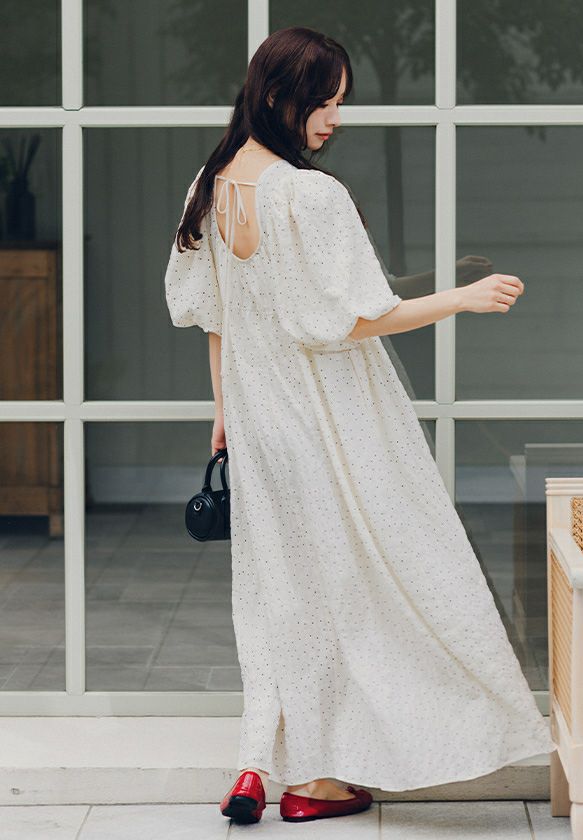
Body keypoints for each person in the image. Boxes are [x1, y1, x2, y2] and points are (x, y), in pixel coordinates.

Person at [164, 26, 555, 826]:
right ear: (279, 96)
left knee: (282, 597)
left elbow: (215, 317)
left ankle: (258, 763)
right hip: (331, 424)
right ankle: (317, 779)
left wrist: (224, 413)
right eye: (324, 102)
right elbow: (350, 321)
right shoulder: (309, 195)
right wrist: (461, 300)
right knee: (384, 582)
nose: (334, 118)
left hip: (261, 425)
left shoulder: (211, 184)